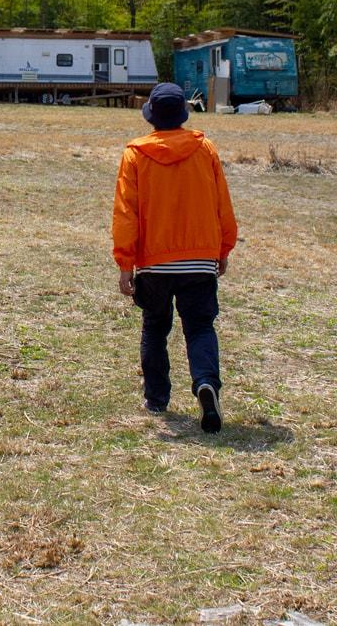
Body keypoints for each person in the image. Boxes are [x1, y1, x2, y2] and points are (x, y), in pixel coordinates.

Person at [112, 82, 237, 432]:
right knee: (199, 326)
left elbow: (126, 213)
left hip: (153, 262)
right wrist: (223, 248)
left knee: (155, 327)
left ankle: (156, 398)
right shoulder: (205, 148)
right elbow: (221, 204)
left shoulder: (135, 154)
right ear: (183, 114)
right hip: (199, 258)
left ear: (152, 116)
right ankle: (205, 383)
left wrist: (126, 264)